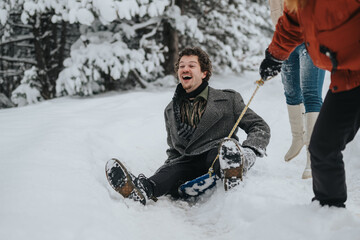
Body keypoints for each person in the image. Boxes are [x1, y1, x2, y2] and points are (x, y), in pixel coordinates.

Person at [106, 47, 271, 205]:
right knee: (172, 169)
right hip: (188, 161)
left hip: (217, 153)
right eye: (182, 66)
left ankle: (233, 168)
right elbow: (173, 150)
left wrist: (249, 151)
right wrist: (165, 175)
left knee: (219, 155)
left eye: (192, 65)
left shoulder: (228, 99)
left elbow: (259, 126)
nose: (185, 69)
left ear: (204, 73)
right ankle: (141, 190)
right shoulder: (170, 110)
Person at [259, 0, 360, 207]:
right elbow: (292, 23)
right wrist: (275, 55)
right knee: (322, 147)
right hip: (347, 78)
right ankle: (329, 213)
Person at [268, 0, 325, 179]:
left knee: (311, 94)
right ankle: (297, 137)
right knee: (291, 92)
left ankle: (312, 156)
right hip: (286, 39)